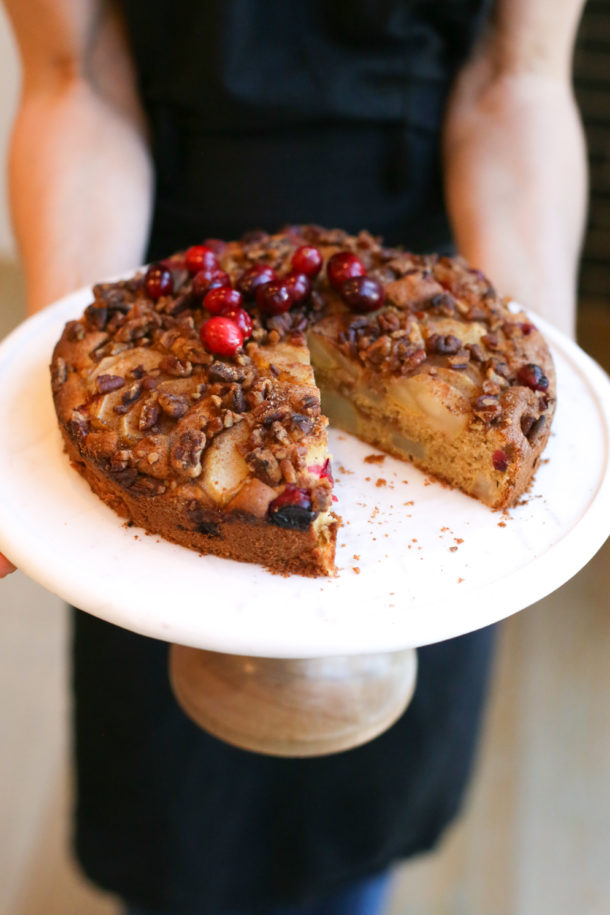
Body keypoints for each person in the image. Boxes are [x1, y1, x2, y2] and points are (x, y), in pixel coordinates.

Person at [1, 1, 587, 913]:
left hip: (421, 309)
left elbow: (518, 80)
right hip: (170, 313)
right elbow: (78, 80)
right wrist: (63, 361)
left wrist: (542, 385)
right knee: (182, 830)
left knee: (359, 824)